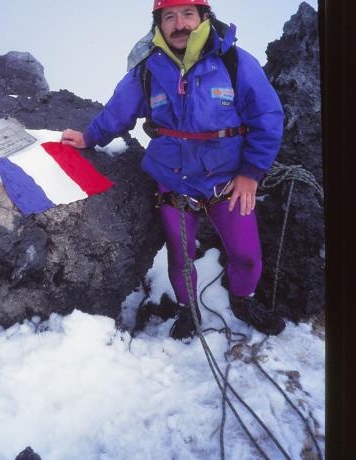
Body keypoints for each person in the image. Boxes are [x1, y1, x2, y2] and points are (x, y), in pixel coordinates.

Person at [61, 0, 286, 339]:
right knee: (180, 259)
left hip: (227, 181)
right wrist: (89, 137)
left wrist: (251, 173)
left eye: (187, 14)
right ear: (158, 24)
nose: (179, 24)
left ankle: (243, 299)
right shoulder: (148, 69)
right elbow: (118, 111)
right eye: (169, 16)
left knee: (247, 256)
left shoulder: (234, 61)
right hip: (174, 179)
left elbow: (268, 117)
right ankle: (188, 310)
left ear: (203, 17)